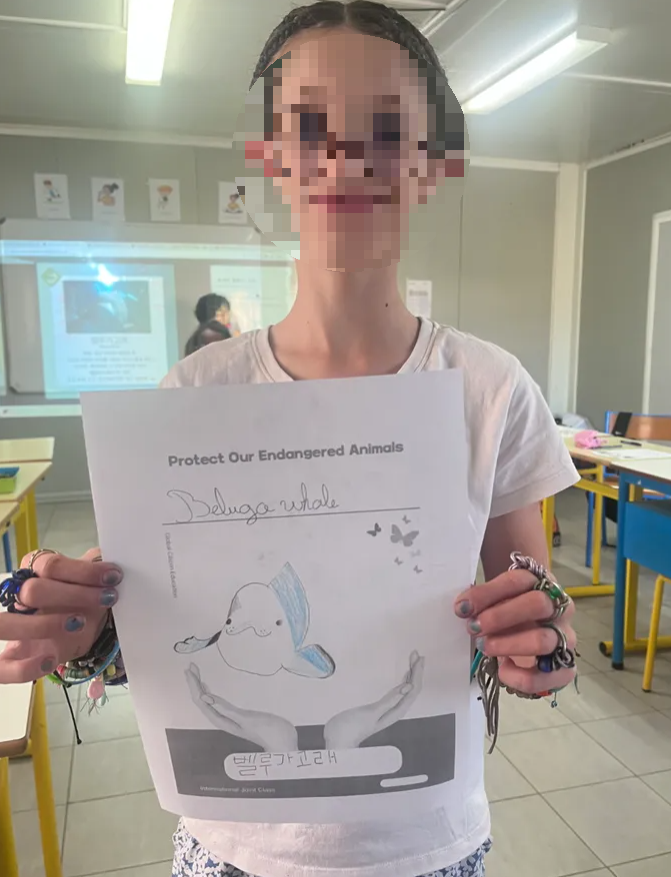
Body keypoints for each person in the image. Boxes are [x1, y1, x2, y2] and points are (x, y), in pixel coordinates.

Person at [0, 3, 579, 877]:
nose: (344, 157)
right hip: (230, 846)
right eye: (310, 128)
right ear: (269, 158)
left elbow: (533, 601)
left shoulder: (490, 387)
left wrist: (543, 642)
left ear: (432, 163)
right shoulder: (194, 394)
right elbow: (153, 630)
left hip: (427, 844)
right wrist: (83, 629)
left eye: (387, 129)